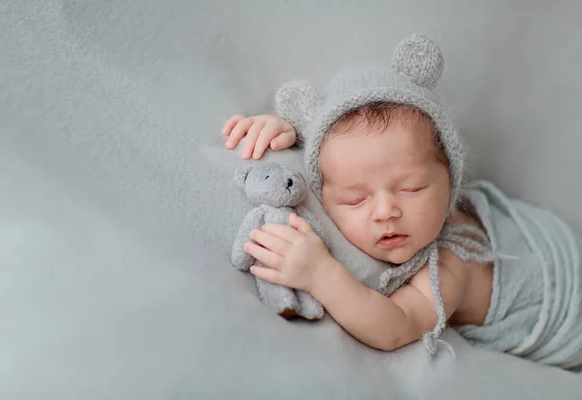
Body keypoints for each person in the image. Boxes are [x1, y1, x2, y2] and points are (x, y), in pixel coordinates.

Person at [222, 34, 582, 369]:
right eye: (355, 198)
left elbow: (396, 326)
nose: (385, 212)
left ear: (451, 179)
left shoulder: (453, 262)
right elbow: (337, 157)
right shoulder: (350, 170)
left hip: (563, 290)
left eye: (411, 189)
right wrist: (287, 132)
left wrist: (321, 274)